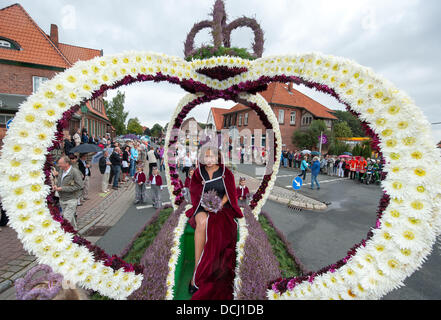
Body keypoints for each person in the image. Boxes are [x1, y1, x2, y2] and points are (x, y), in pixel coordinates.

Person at [185, 146, 243, 300]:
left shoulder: (226, 173)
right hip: (201, 206)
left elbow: (230, 194)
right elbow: (195, 192)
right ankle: (196, 271)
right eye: (206, 157)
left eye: (212, 157)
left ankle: (212, 267)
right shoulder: (198, 173)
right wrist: (205, 205)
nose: (208, 161)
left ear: (218, 157)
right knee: (202, 222)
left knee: (219, 227)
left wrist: (218, 205)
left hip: (221, 207)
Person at [53, 156, 84, 229]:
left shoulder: (75, 172)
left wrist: (62, 188)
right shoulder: (61, 170)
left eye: (60, 164)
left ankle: (63, 236)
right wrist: (56, 186)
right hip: (62, 199)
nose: (59, 165)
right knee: (70, 217)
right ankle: (75, 232)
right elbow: (60, 182)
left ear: (67, 163)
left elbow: (79, 186)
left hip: (71, 199)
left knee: (66, 219)